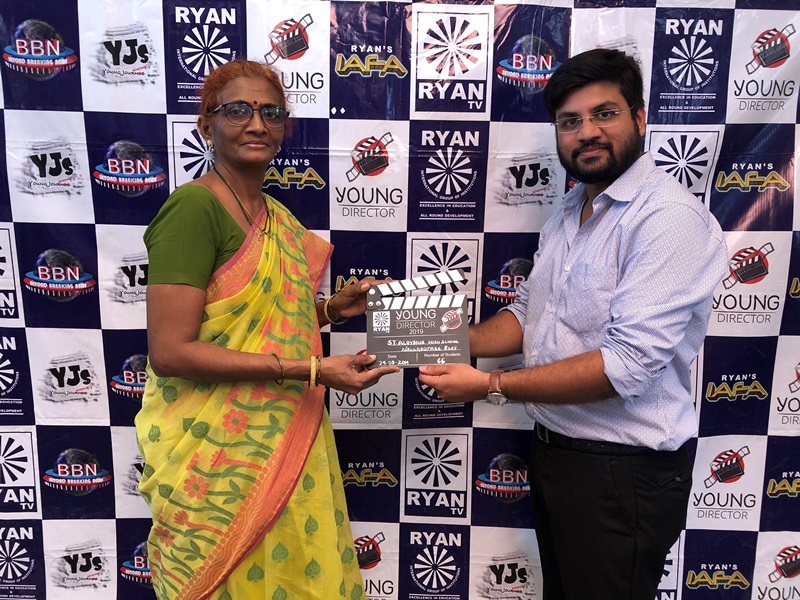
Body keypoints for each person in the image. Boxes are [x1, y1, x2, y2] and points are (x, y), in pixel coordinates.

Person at [419, 48, 728, 600]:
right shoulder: (569, 212)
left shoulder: (667, 218)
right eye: (570, 121)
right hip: (558, 456)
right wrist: (423, 335)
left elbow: (624, 366)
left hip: (623, 473)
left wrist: (489, 385)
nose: (587, 132)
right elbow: (526, 317)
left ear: (639, 117)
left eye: (604, 114)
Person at [135, 59, 398, 600]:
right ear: (206, 124)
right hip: (216, 457)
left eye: (271, 113)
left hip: (288, 437)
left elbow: (259, 320)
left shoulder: (278, 216)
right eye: (238, 110)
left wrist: (331, 311)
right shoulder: (193, 209)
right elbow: (170, 351)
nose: (257, 124)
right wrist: (311, 369)